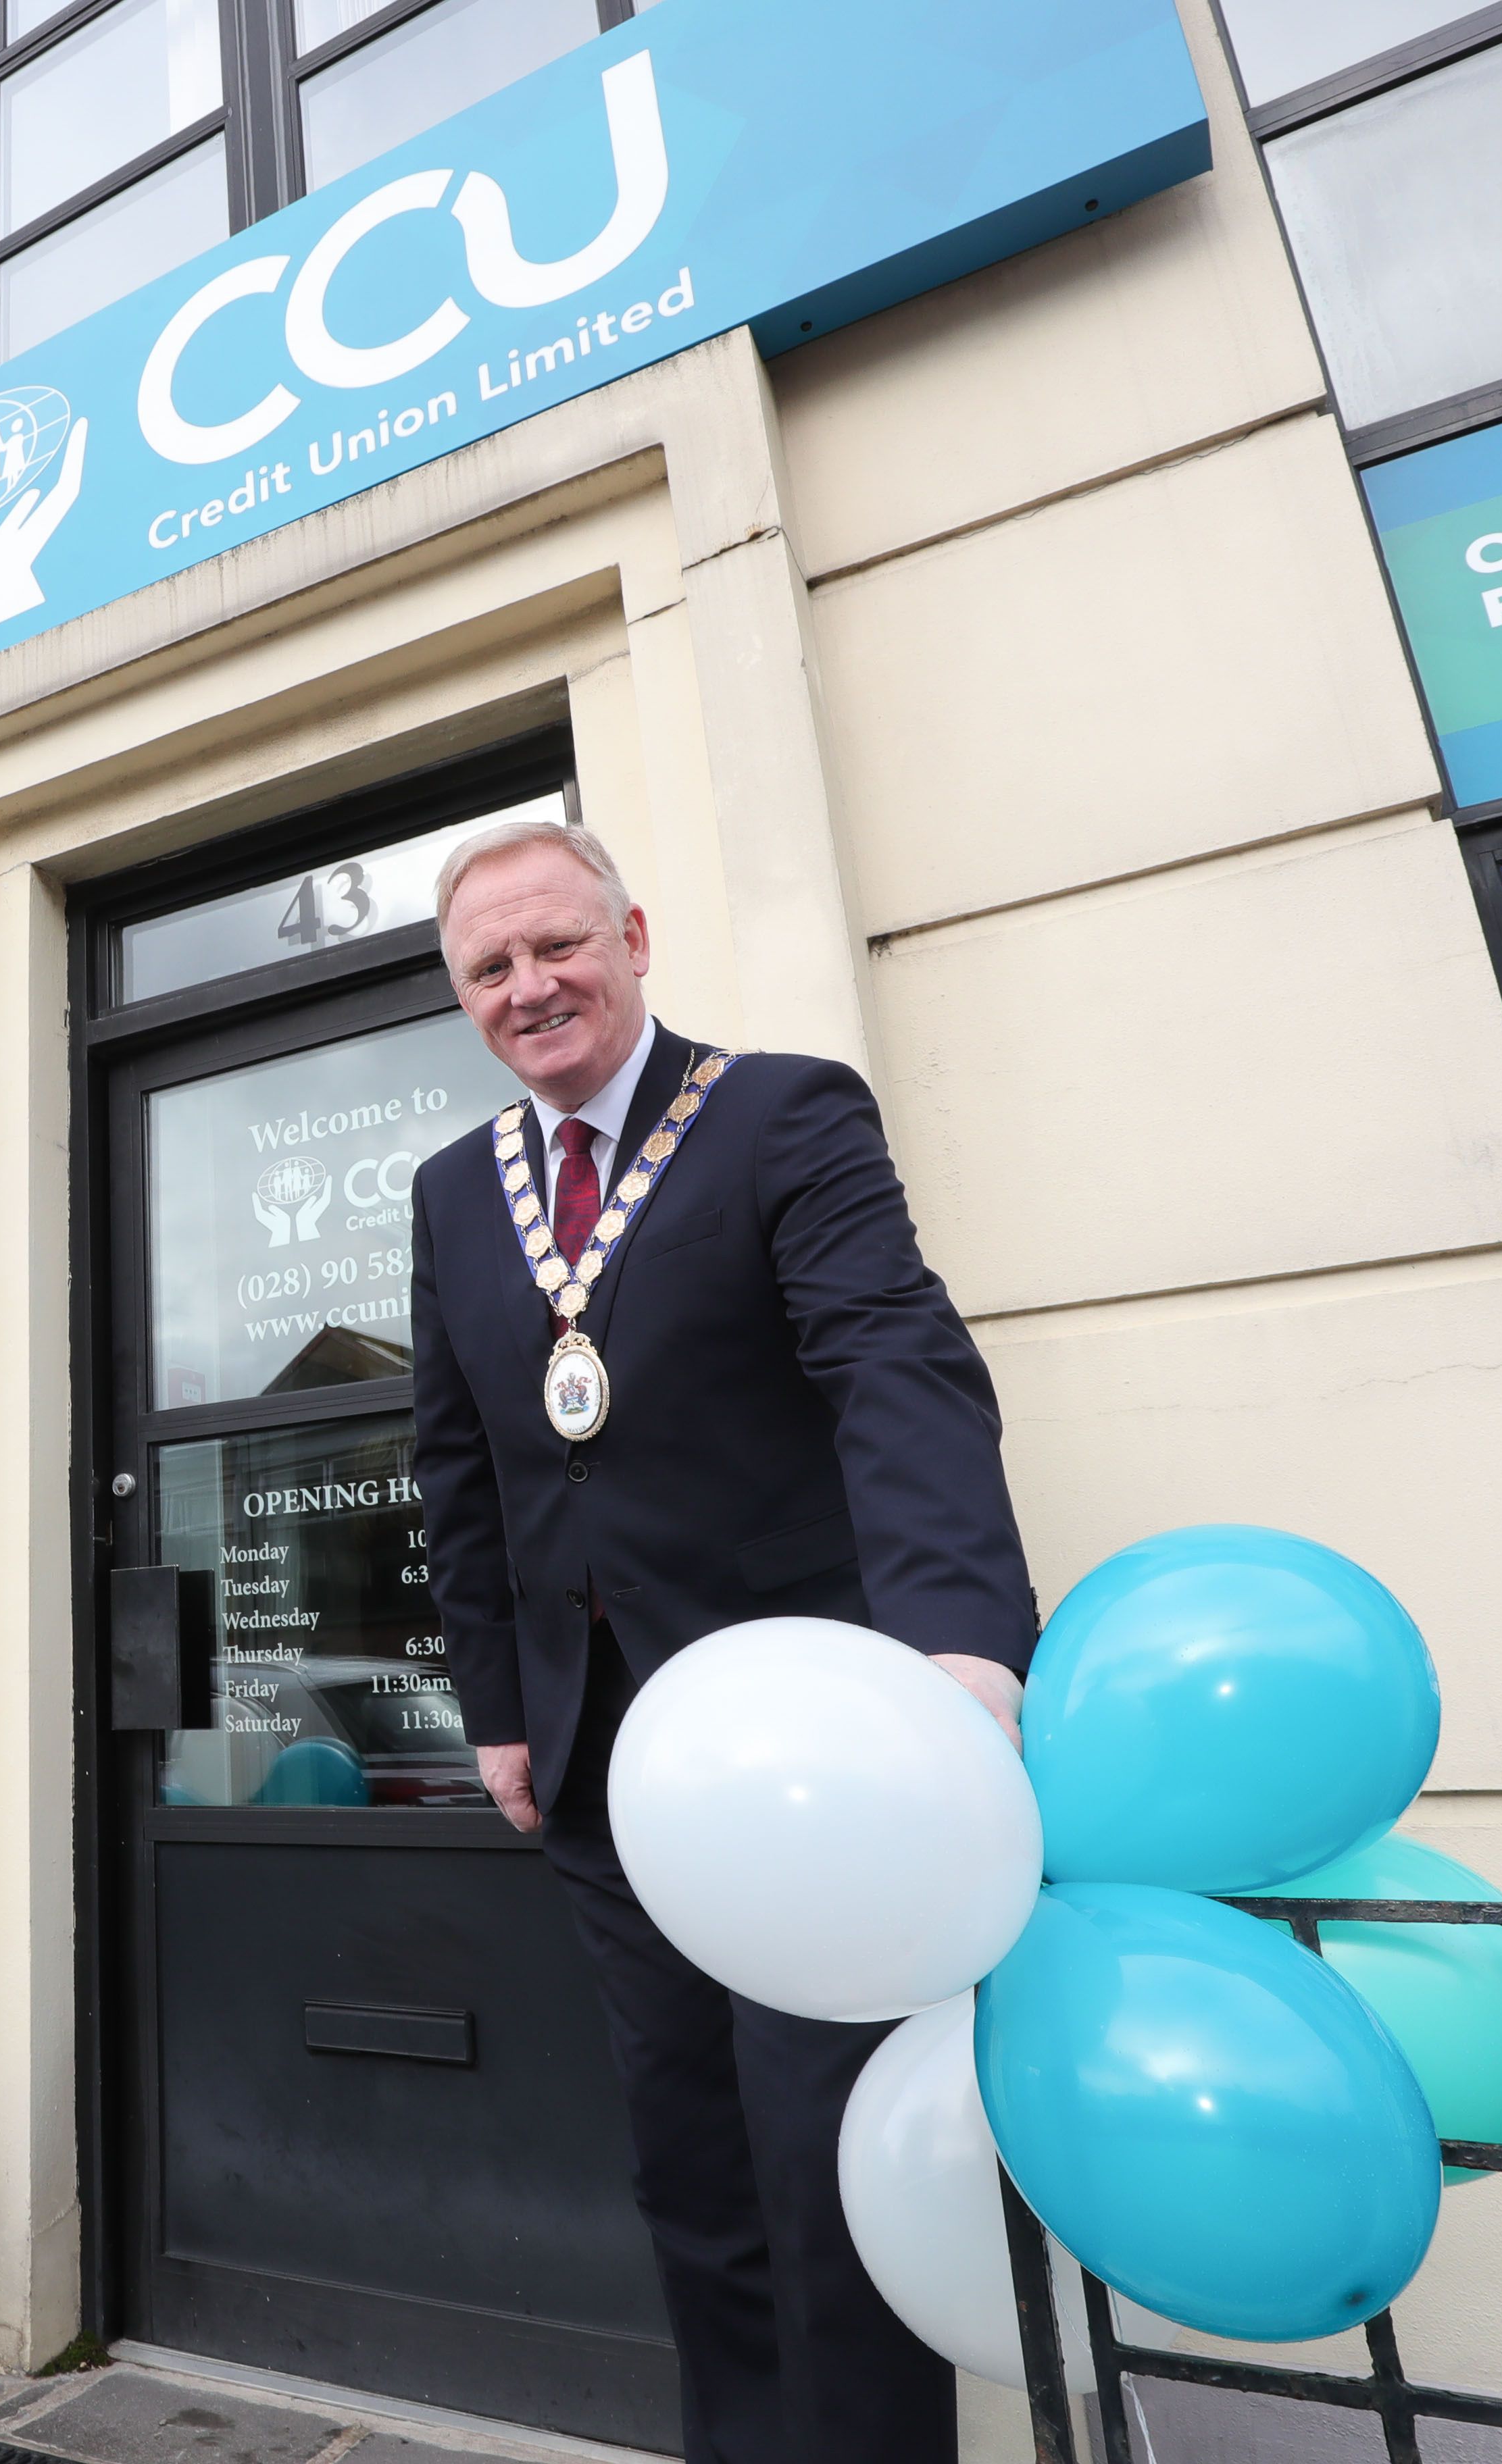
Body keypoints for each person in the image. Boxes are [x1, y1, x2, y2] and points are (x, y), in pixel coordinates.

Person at [407, 818, 1032, 2464]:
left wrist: (955, 1648)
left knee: (829, 2159)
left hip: (812, 1764)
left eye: (557, 945)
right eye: (490, 967)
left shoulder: (777, 1113)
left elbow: (892, 1366)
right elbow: (457, 1461)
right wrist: (494, 1706)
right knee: (685, 2159)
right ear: (458, 993)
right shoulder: (450, 1193)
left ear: (630, 932)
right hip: (601, 1757)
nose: (530, 987)